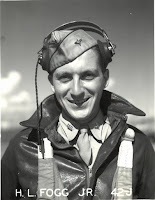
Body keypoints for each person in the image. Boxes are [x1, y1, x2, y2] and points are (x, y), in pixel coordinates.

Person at [2, 21, 155, 200]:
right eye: (65, 77)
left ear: (105, 79)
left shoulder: (139, 146)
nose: (76, 91)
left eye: (87, 75)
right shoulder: (22, 147)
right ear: (52, 83)